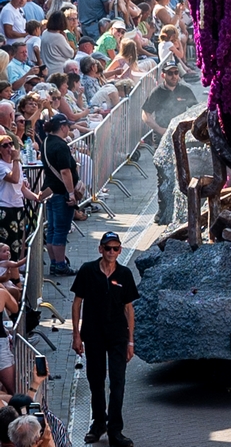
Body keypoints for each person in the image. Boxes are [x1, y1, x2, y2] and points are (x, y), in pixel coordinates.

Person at [71, 233, 138, 447]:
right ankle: (99, 422)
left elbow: (129, 308)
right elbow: (77, 303)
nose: (111, 252)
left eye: (115, 248)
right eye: (108, 248)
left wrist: (130, 341)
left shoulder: (124, 274)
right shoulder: (87, 270)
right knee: (96, 380)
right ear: (100, 249)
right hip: (94, 334)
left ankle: (115, 429)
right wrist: (76, 334)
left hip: (117, 335)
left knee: (118, 381)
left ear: (120, 251)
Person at [40, 114, 79, 276]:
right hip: (60, 192)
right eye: (68, 126)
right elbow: (65, 171)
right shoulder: (60, 145)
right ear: (62, 127)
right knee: (61, 230)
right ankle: (61, 265)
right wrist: (71, 193)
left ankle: (54, 263)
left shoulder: (46, 142)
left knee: (52, 229)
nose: (69, 129)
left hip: (50, 190)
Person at [141, 62, 196, 142]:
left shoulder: (185, 90)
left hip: (181, 135)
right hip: (162, 137)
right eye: (170, 73)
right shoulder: (157, 92)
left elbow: (195, 110)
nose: (174, 76)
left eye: (176, 72)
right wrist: (160, 130)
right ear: (163, 75)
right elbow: (145, 115)